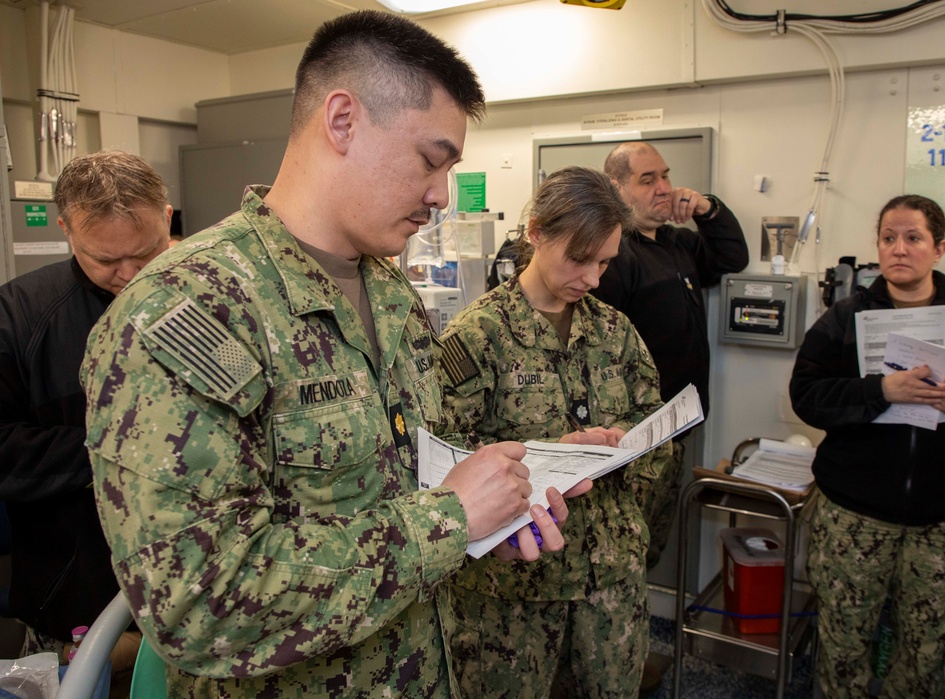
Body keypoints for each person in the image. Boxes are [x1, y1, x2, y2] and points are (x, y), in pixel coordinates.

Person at [81, 11, 583, 698]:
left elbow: (407, 476)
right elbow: (196, 605)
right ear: (342, 120)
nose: (441, 194)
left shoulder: (390, 292)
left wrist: (502, 499)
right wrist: (449, 520)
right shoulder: (184, 311)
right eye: (430, 161)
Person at [436, 166, 664, 698]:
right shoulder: (476, 337)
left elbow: (653, 423)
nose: (593, 278)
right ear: (536, 232)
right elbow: (444, 462)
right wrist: (546, 456)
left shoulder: (614, 329)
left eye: (605, 262)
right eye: (579, 258)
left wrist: (622, 444)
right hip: (514, 594)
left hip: (611, 581)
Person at [789, 194, 945, 698]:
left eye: (913, 238)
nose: (898, 249)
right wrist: (877, 391)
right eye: (888, 238)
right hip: (854, 517)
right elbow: (807, 396)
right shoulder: (844, 320)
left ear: (939, 248)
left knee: (923, 656)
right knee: (842, 649)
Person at [0, 150, 171, 686]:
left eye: (145, 254)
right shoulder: (20, 317)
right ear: (66, 229)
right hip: (73, 594)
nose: (129, 275)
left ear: (168, 217)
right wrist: (121, 450)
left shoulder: (217, 296)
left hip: (194, 593)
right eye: (105, 260)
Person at [591, 141, 749, 572]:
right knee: (624, 550)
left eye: (665, 175)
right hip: (634, 436)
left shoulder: (677, 243)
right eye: (648, 180)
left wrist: (707, 208)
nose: (664, 187)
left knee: (650, 546)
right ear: (617, 188)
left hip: (676, 428)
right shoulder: (614, 254)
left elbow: (733, 256)